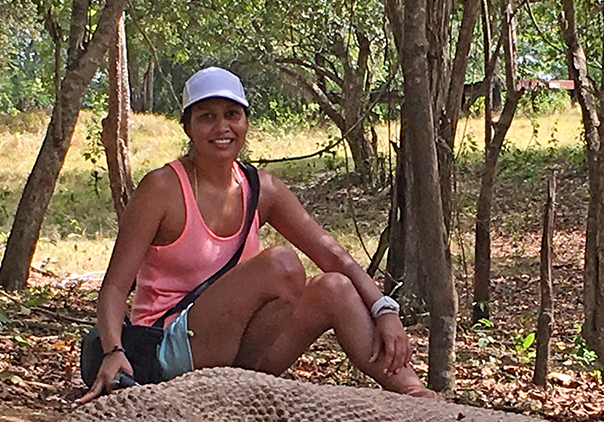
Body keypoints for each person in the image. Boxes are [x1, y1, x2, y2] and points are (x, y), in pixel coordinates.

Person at [80, 66, 433, 402]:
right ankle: (235, 390)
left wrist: (384, 310)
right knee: (281, 263)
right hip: (166, 344)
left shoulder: (262, 188)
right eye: (207, 116)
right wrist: (114, 350)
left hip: (239, 349)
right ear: (188, 127)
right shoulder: (162, 188)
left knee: (335, 288)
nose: (222, 127)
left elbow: (333, 256)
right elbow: (114, 286)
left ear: (246, 121)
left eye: (232, 115)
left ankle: (414, 394)